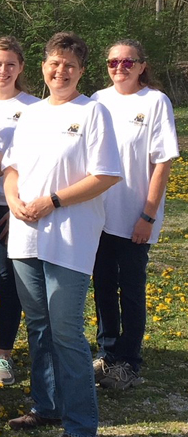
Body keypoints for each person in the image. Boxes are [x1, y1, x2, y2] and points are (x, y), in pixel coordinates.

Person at [3, 32, 122, 437]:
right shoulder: (32, 114)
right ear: (43, 67)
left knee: (66, 330)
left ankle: (81, 423)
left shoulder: (93, 113)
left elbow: (105, 175)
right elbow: (12, 168)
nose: (61, 71)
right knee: (38, 326)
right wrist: (14, 199)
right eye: (55, 63)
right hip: (25, 237)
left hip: (70, 239)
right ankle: (47, 405)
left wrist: (52, 201)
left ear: (81, 71)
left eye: (70, 65)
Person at [91, 39, 179, 389]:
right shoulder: (96, 101)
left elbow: (162, 162)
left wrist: (148, 215)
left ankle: (129, 362)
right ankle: (107, 353)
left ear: (142, 66)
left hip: (134, 217)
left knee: (131, 290)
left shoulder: (156, 102)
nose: (119, 68)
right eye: (113, 62)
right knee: (102, 287)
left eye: (128, 62)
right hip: (97, 215)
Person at [0, 36, 40, 385]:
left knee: (7, 283)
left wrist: (16, 209)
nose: (3, 70)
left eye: (10, 64)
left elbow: (38, 164)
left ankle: (4, 356)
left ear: (21, 68)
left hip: (6, 207)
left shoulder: (33, 107)